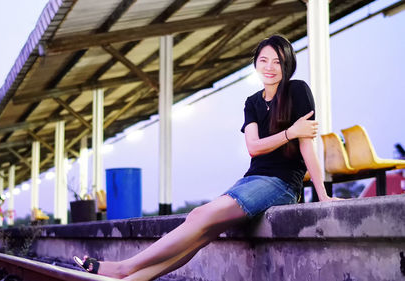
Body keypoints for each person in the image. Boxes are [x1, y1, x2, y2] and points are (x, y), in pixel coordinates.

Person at [74, 35, 341, 280]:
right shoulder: (252, 102)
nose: (270, 67)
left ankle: (124, 268)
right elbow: (253, 147)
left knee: (199, 215)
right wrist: (289, 133)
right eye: (263, 60)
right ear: (256, 63)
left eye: (277, 61)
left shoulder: (297, 91)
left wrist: (323, 195)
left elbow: (307, 147)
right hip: (251, 181)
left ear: (287, 65)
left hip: (281, 184)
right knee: (201, 231)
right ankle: (135, 279)